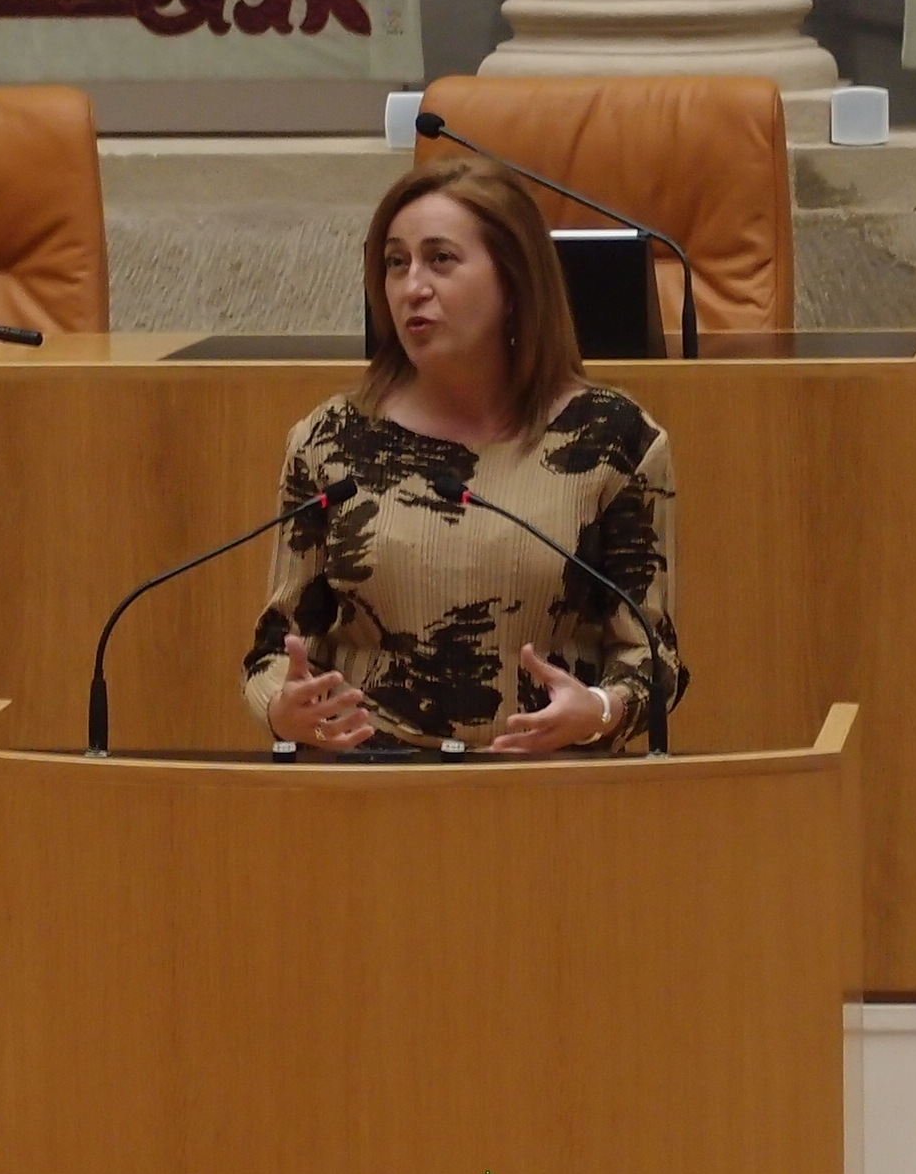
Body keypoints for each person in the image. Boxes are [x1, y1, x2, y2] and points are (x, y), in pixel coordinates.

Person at [245, 160, 683, 754]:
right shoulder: (331, 440)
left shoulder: (612, 440)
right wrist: (283, 708)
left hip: (550, 782)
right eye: (395, 263)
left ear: (514, 282)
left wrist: (601, 712)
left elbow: (653, 658)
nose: (412, 287)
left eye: (441, 259)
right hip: (372, 779)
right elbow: (276, 649)